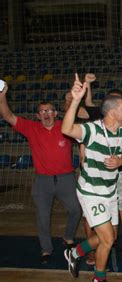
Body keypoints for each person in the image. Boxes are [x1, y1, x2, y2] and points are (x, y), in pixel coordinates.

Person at [62, 74, 122, 282]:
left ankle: (75, 253)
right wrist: (75, 100)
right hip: (91, 192)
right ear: (112, 112)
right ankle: (99, 279)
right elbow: (66, 129)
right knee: (108, 239)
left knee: (108, 235)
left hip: (110, 192)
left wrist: (121, 161)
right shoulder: (91, 130)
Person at [0, 82, 81, 264]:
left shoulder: (65, 127)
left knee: (76, 210)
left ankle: (68, 236)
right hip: (42, 181)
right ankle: (46, 249)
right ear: (38, 115)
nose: (46, 114)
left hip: (66, 179)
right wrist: (2, 95)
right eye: (42, 111)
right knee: (42, 217)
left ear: (56, 113)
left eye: (50, 110)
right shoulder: (31, 128)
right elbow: (7, 115)